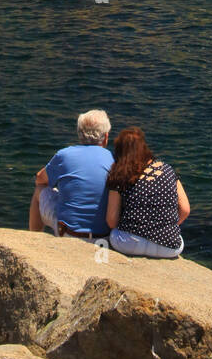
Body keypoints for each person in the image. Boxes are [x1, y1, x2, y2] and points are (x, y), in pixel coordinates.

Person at [106, 126, 189, 259]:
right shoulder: (167, 170)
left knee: (112, 233)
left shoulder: (119, 174)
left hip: (129, 244)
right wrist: (164, 227)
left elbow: (111, 221)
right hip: (168, 247)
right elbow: (185, 210)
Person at [29, 109, 113, 239]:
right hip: (103, 237)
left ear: (80, 134)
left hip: (69, 234)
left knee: (40, 190)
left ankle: (33, 240)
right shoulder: (112, 159)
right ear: (106, 137)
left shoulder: (65, 154)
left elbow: (40, 179)